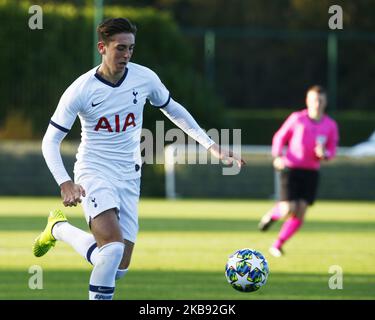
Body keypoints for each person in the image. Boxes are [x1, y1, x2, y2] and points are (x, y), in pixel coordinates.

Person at [33, 17, 245, 300]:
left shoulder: (144, 78)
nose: (127, 55)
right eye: (120, 48)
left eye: (131, 48)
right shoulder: (81, 89)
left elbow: (173, 109)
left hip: (130, 177)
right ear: (102, 48)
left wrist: (211, 145)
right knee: (112, 249)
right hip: (93, 173)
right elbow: (50, 140)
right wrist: (65, 182)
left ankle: (58, 229)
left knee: (117, 265)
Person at [258, 85, 339, 257]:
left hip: (311, 172)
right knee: (288, 208)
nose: (317, 104)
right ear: (308, 101)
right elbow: (280, 137)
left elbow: (332, 150)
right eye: (314, 100)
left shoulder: (330, 125)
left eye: (320, 100)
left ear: (325, 102)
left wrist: (324, 154)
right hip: (291, 168)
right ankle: (273, 215)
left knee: (300, 211)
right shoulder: (297, 119)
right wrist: (278, 156)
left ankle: (278, 244)